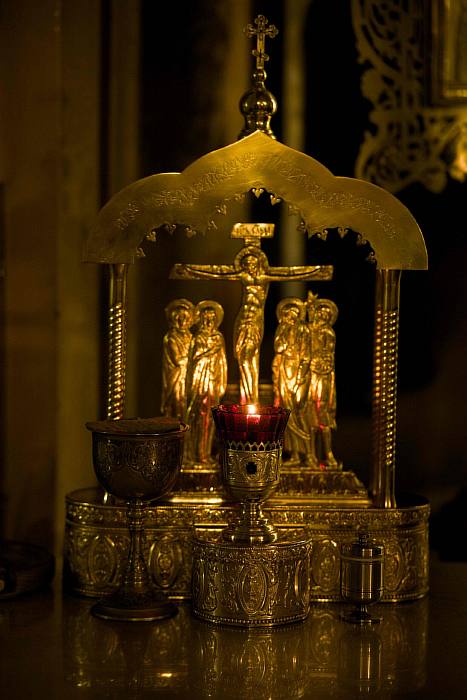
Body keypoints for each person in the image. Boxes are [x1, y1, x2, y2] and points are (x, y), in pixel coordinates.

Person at [185, 300, 227, 466]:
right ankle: (195, 453)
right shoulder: (198, 338)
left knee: (211, 418)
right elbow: (193, 361)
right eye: (206, 318)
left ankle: (206, 453)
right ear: (201, 320)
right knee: (198, 418)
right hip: (200, 383)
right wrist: (210, 352)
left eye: (212, 318)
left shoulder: (218, 338)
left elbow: (222, 363)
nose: (209, 321)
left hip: (213, 383)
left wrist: (221, 385)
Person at [272, 298, 313, 464]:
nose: (290, 318)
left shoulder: (303, 330)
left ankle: (309, 453)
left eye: (293, 315)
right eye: (287, 315)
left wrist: (299, 379)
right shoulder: (282, 329)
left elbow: (306, 356)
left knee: (299, 412)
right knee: (287, 413)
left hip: (299, 374)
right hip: (284, 372)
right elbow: (278, 348)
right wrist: (283, 333)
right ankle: (295, 453)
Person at [308, 296, 340, 469]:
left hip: (322, 376)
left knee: (323, 416)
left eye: (326, 315)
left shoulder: (328, 333)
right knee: (310, 417)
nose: (321, 317)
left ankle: (328, 454)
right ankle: (311, 455)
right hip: (308, 376)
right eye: (319, 313)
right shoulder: (309, 330)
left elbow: (327, 357)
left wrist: (317, 363)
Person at [160, 299, 194, 421]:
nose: (182, 321)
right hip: (176, 377)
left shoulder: (191, 337)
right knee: (177, 404)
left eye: (185, 318)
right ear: (175, 319)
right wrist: (197, 358)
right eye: (179, 318)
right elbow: (178, 360)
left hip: (189, 376)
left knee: (188, 407)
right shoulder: (171, 337)